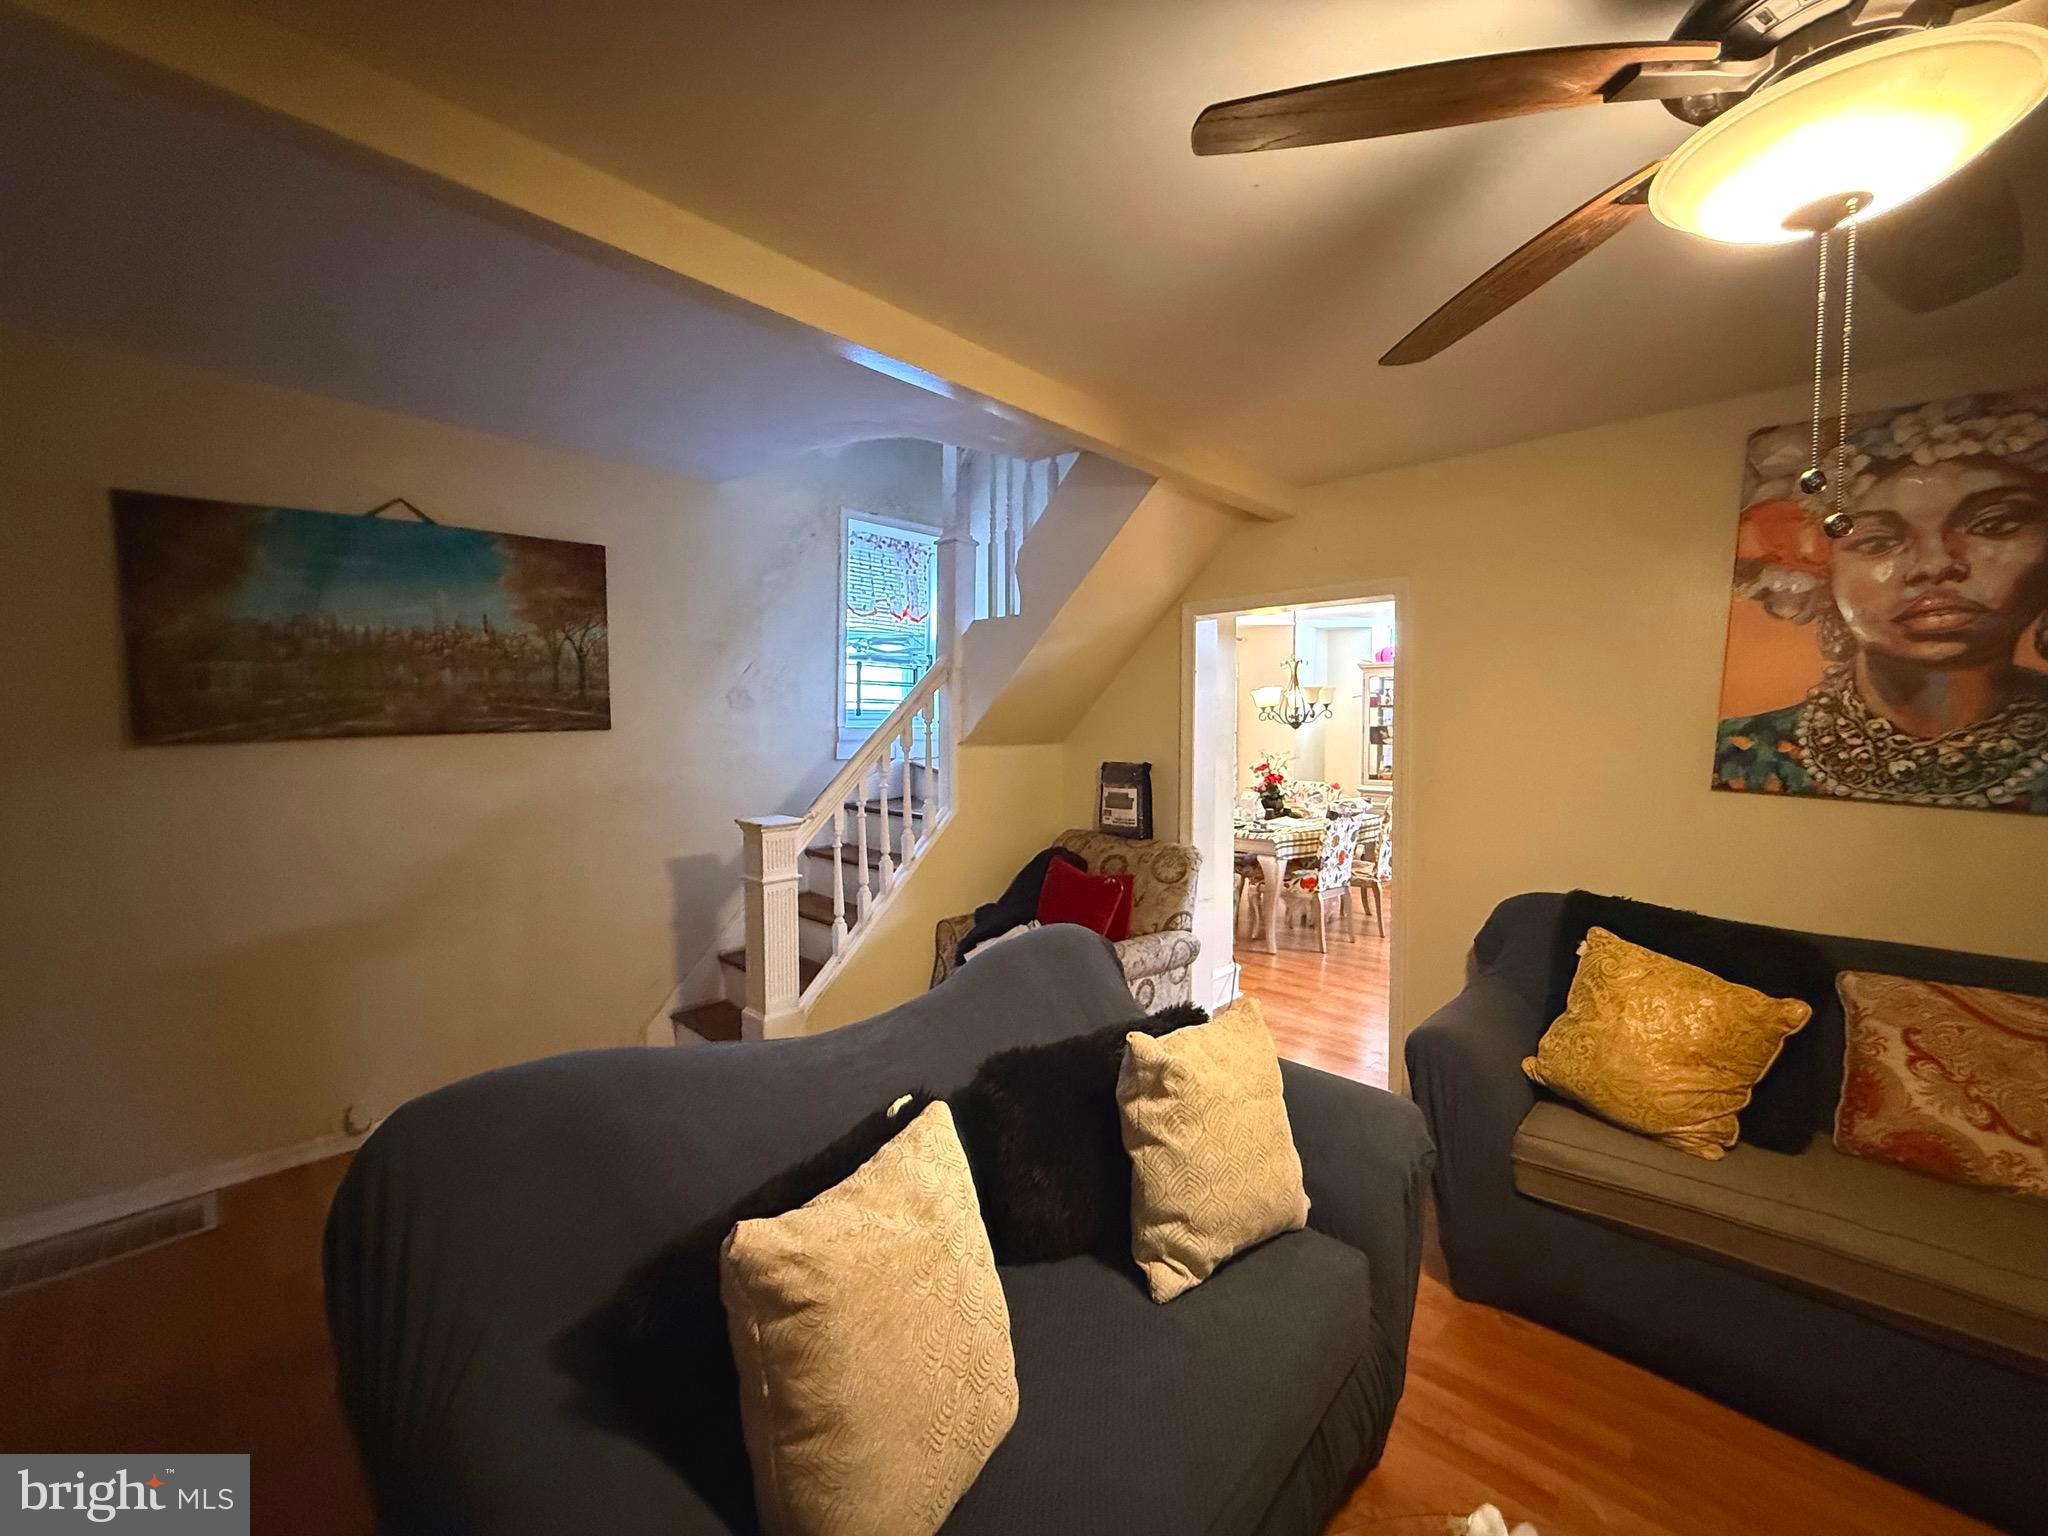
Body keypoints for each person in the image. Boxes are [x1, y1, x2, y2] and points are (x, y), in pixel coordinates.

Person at [1714, 393, 2048, 812]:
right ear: (1818, 569)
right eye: (1878, 541)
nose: (1935, 565)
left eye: (1994, 524)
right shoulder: (1741, 753)